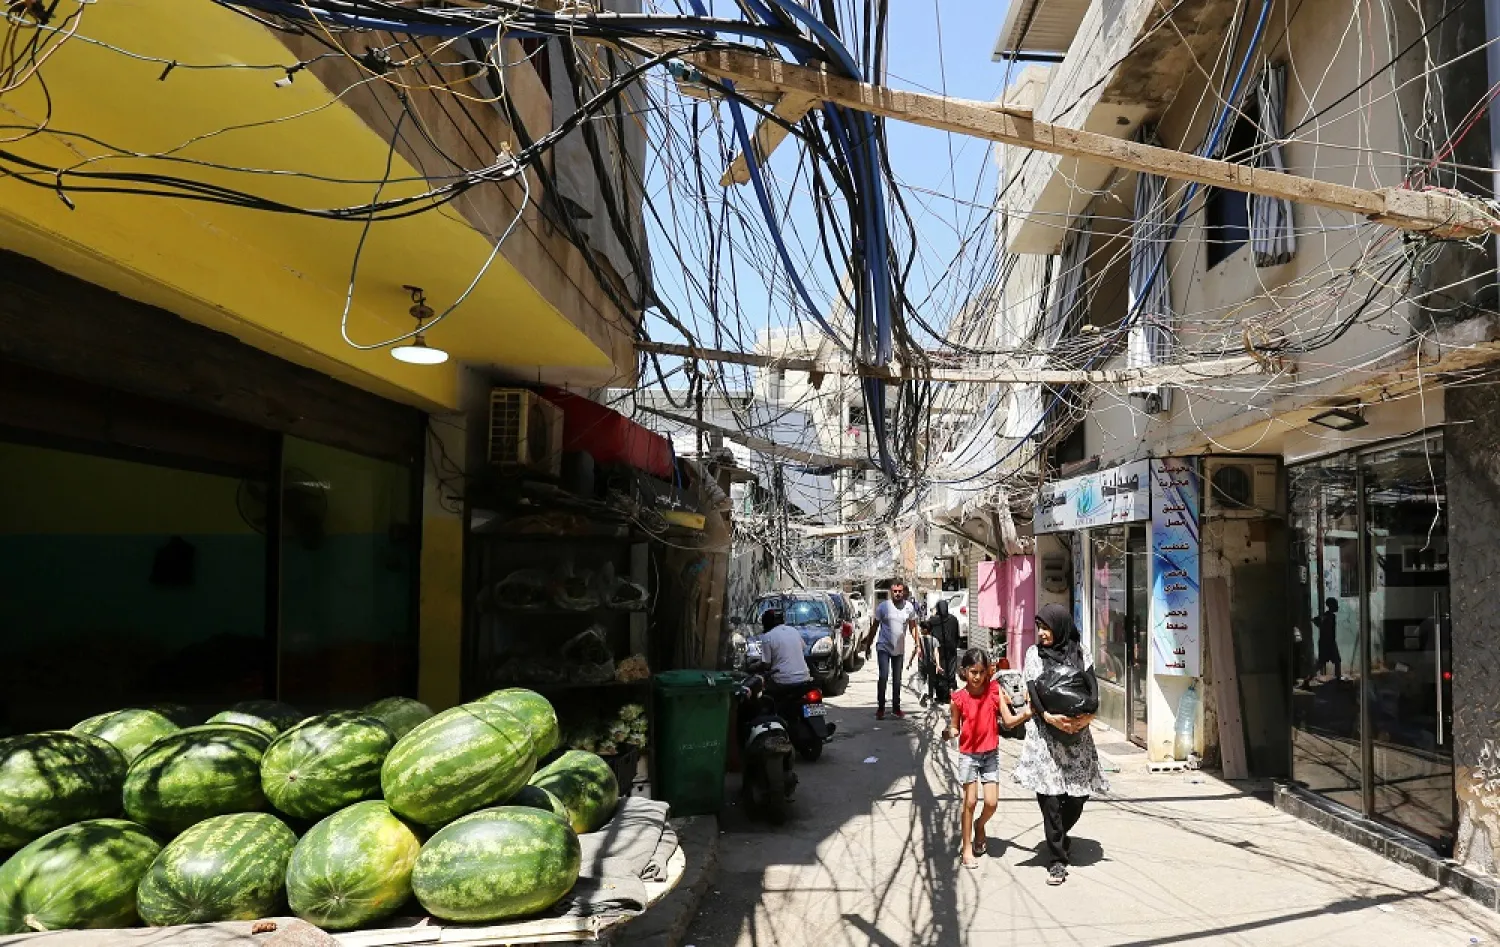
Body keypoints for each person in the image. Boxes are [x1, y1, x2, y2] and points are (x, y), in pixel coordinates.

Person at [1011, 602, 1108, 886]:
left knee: (1078, 796)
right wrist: (1051, 719)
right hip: (1045, 737)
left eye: (1046, 627)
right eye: (1039, 627)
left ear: (1060, 627)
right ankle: (1057, 860)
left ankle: (1058, 835)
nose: (1041, 633)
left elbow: (1093, 689)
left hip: (1078, 737)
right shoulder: (1033, 655)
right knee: (1050, 798)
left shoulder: (1081, 652)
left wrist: (1085, 718)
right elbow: (1033, 693)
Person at [943, 648, 1008, 869]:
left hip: (990, 754)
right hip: (969, 755)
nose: (977, 677)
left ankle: (980, 826)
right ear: (965, 672)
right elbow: (954, 726)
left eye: (981, 672)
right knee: (969, 801)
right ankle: (967, 848)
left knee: (991, 802)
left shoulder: (993, 691)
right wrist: (950, 732)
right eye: (973, 672)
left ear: (987, 672)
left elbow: (1008, 713)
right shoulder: (958, 699)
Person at [868, 580, 919, 720]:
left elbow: (913, 626)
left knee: (897, 680)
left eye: (900, 591)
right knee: (883, 676)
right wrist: (867, 645)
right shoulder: (883, 607)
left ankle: (896, 707)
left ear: (903, 592)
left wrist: (918, 643)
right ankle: (881, 708)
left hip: (899, 649)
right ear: (891, 592)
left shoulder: (909, 607)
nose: (897, 594)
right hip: (883, 647)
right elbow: (874, 627)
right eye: (895, 591)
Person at [757, 608, 811, 688]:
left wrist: (755, 666)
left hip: (782, 680)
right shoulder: (794, 631)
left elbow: (766, 665)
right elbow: (802, 649)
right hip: (804, 677)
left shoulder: (767, 637)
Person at [926, 599, 962, 704]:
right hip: (951, 649)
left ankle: (942, 696)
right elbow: (957, 635)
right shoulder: (953, 619)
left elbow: (927, 632)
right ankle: (950, 694)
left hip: (938, 649)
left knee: (940, 671)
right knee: (950, 670)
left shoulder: (932, 620)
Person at [1316, 598, 1341, 683]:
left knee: (1336, 661)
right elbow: (1319, 623)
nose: (1337, 607)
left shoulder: (1331, 616)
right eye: (1336, 605)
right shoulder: (1327, 616)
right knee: (1322, 663)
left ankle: (1338, 680)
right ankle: (1338, 680)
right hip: (1326, 643)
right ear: (1331, 606)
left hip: (1329, 643)